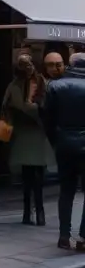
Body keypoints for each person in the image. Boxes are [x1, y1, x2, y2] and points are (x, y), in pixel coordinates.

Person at [40, 52, 85, 250]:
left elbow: (47, 119)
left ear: (69, 65)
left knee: (66, 191)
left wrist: (56, 141)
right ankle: (83, 238)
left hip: (64, 143)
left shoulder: (55, 86)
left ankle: (64, 236)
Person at [3, 55, 49, 226]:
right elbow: (11, 106)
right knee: (28, 175)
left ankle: (37, 212)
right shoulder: (15, 85)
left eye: (29, 63)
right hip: (24, 132)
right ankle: (29, 212)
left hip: (36, 133)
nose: (27, 67)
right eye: (23, 65)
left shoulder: (40, 82)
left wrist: (29, 106)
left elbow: (42, 105)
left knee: (36, 174)